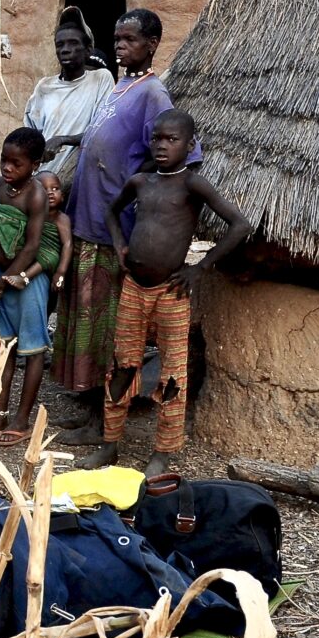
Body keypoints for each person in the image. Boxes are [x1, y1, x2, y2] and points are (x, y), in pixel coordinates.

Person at [54, 10, 199, 438]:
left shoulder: (154, 94)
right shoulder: (120, 85)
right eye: (117, 38)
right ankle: (89, 407)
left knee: (108, 331)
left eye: (131, 39)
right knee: (86, 321)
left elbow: (182, 159)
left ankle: (104, 423)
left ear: (152, 44)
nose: (120, 46)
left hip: (112, 230)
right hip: (89, 219)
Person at [88, 110, 252, 473]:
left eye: (172, 139)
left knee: (173, 374)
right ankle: (111, 443)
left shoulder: (193, 184)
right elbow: (112, 212)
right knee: (121, 366)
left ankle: (162, 453)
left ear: (190, 145)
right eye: (157, 138)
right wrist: (119, 245)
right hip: (133, 286)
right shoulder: (140, 182)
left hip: (172, 292)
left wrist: (200, 268)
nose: (162, 145)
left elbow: (240, 225)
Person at [0, 128, 54, 445]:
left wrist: (1, 284)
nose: (7, 169)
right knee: (3, 348)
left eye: (16, 164)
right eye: (3, 161)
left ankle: (22, 420)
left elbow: (32, 247)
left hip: (26, 284)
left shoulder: (36, 196)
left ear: (34, 165)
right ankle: (0, 411)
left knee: (32, 351)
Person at [24, 7, 116, 187]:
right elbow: (31, 133)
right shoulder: (44, 86)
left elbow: (102, 130)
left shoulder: (100, 78)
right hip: (42, 178)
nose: (65, 50)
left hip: (79, 179)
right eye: (60, 45)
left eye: (73, 43)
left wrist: (63, 139)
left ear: (88, 49)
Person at [36, 170, 74, 299]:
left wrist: (61, 272)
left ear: (62, 196)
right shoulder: (32, 216)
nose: (50, 192)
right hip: (32, 263)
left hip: (52, 268)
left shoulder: (61, 219)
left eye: (55, 188)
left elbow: (67, 244)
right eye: (44, 189)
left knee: (49, 299)